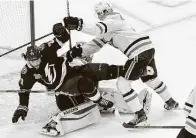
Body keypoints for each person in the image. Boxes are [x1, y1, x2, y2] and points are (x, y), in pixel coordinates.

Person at [12, 23, 152, 136]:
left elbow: (63, 38)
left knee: (99, 69)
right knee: (84, 86)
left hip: (72, 70)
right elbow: (24, 91)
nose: (36, 63)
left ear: (40, 55)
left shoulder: (45, 49)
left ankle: (136, 71)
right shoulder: (27, 73)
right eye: (33, 61)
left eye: (38, 59)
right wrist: (22, 107)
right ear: (27, 59)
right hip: (64, 89)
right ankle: (97, 100)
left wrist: (60, 31)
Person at [63, 1, 179, 126]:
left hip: (138, 53)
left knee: (123, 84)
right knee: (151, 79)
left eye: (99, 13)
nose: (99, 16)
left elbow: (97, 29)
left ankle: (140, 115)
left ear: (104, 12)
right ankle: (170, 101)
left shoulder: (113, 20)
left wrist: (78, 24)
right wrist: (77, 51)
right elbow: (95, 45)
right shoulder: (111, 26)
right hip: (147, 49)